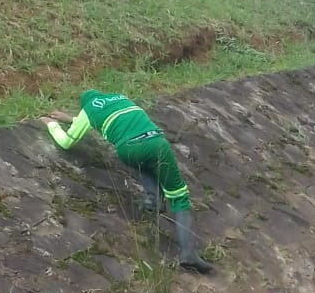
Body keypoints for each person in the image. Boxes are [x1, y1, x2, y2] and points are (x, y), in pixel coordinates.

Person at [44, 90, 212, 273]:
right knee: (179, 197)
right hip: (154, 143)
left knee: (143, 162)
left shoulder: (88, 110)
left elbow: (67, 141)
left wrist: (52, 125)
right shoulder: (120, 98)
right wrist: (70, 119)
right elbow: (113, 118)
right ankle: (188, 253)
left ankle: (153, 199)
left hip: (128, 151)